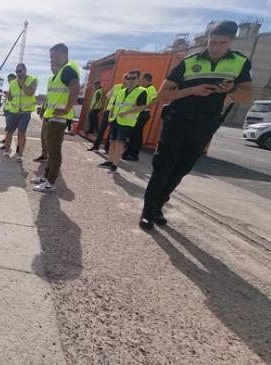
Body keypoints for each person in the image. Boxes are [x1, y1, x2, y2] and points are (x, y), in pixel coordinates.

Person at [140, 20, 252, 230]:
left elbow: (246, 96)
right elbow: (162, 94)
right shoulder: (189, 61)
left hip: (205, 123)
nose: (215, 47)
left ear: (231, 41)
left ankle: (158, 205)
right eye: (212, 41)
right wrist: (191, 90)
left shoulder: (241, 63)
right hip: (178, 119)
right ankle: (147, 211)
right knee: (163, 166)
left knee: (182, 168)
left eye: (221, 43)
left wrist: (230, 89)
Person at [31, 43, 80, 192]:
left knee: (54, 150)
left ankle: (50, 182)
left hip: (59, 118)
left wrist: (66, 108)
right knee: (50, 148)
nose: (51, 59)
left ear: (61, 54)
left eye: (53, 56)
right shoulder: (60, 74)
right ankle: (46, 177)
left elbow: (76, 88)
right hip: (52, 116)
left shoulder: (68, 70)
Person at [97, 70, 147, 174]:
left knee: (119, 143)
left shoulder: (141, 91)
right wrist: (110, 116)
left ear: (138, 79)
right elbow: (114, 105)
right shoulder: (121, 91)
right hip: (115, 120)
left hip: (126, 122)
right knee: (112, 141)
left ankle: (115, 165)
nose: (130, 80)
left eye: (133, 78)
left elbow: (141, 107)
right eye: (128, 78)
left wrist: (127, 113)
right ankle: (110, 162)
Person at [0, 63, 37, 161]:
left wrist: (22, 84)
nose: (18, 73)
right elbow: (11, 97)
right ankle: (6, 150)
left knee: (21, 132)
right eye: (16, 71)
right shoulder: (12, 83)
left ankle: (20, 154)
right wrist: (9, 95)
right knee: (9, 132)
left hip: (25, 111)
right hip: (13, 111)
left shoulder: (32, 80)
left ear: (25, 70)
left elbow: (30, 93)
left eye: (20, 71)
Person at [123, 73, 158, 160]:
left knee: (136, 134)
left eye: (141, 80)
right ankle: (129, 151)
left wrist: (144, 107)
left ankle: (134, 154)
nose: (140, 81)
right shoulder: (144, 88)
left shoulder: (151, 89)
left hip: (143, 113)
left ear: (146, 80)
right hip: (139, 113)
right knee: (134, 133)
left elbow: (154, 101)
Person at [87, 78, 125, 153]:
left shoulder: (128, 91)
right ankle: (96, 145)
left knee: (111, 131)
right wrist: (105, 108)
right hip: (108, 111)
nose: (127, 80)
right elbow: (108, 97)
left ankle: (107, 149)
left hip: (116, 113)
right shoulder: (116, 87)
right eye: (125, 79)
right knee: (101, 129)